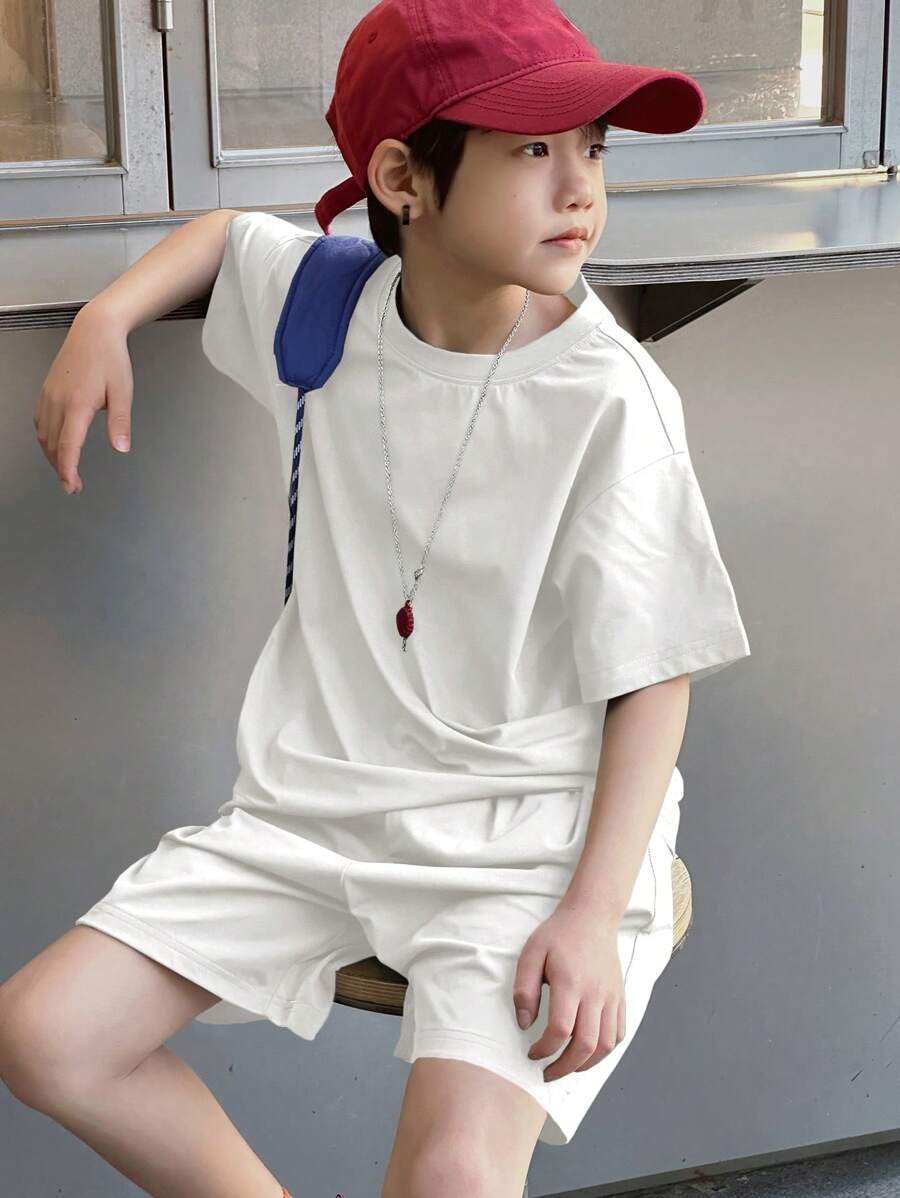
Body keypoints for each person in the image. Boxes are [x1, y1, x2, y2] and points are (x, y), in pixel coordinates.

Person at [3, 0, 751, 1195]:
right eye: (533, 149)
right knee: (46, 1036)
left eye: (593, 148)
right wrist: (108, 314)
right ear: (403, 179)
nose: (581, 190)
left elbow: (656, 677)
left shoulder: (611, 398)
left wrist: (591, 911)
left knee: (451, 1174)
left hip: (526, 838)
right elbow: (224, 235)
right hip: (317, 809)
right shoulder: (327, 309)